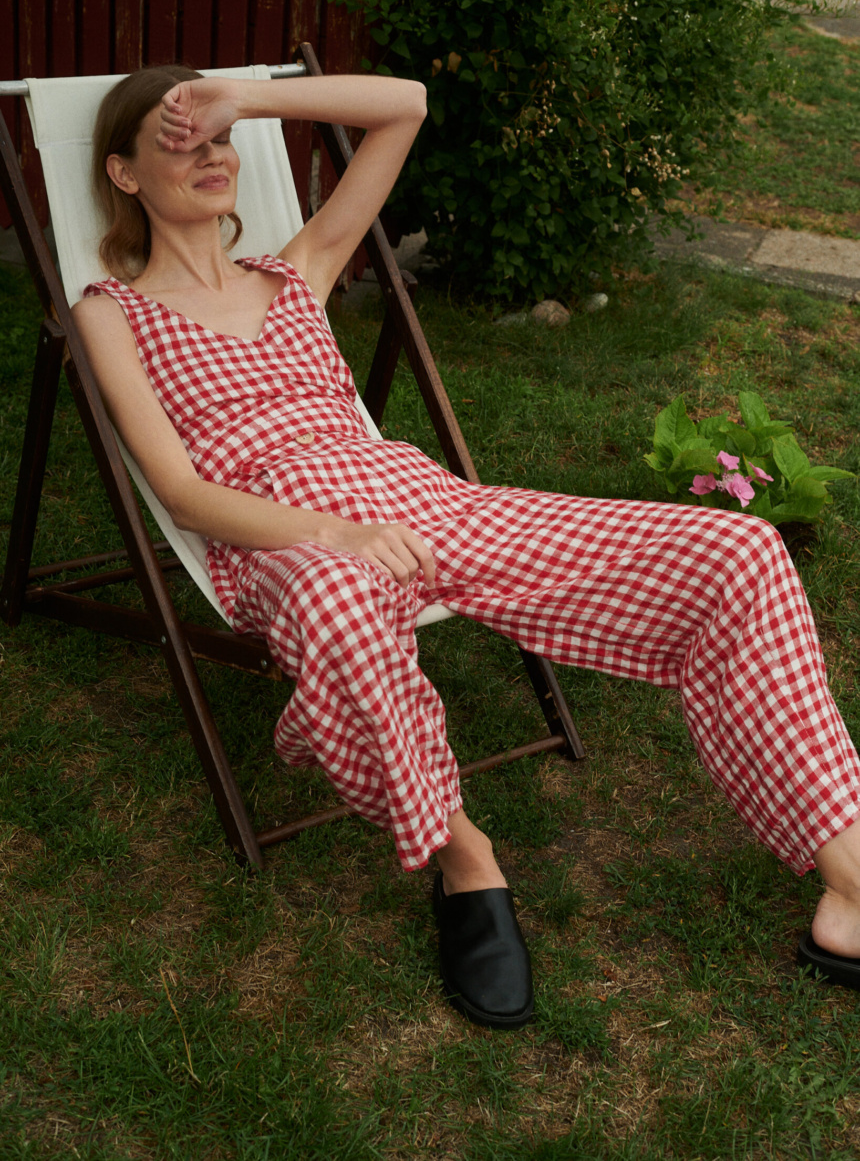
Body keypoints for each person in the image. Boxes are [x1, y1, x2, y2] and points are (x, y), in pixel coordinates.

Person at [75, 64, 860, 1028]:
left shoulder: (298, 271)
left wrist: (249, 101)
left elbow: (405, 106)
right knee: (334, 602)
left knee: (736, 552)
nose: (210, 154)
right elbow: (185, 493)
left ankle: (847, 877)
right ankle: (464, 859)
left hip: (427, 508)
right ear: (122, 172)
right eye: (176, 138)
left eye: (217, 139)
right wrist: (333, 532)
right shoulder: (111, 313)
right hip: (291, 541)